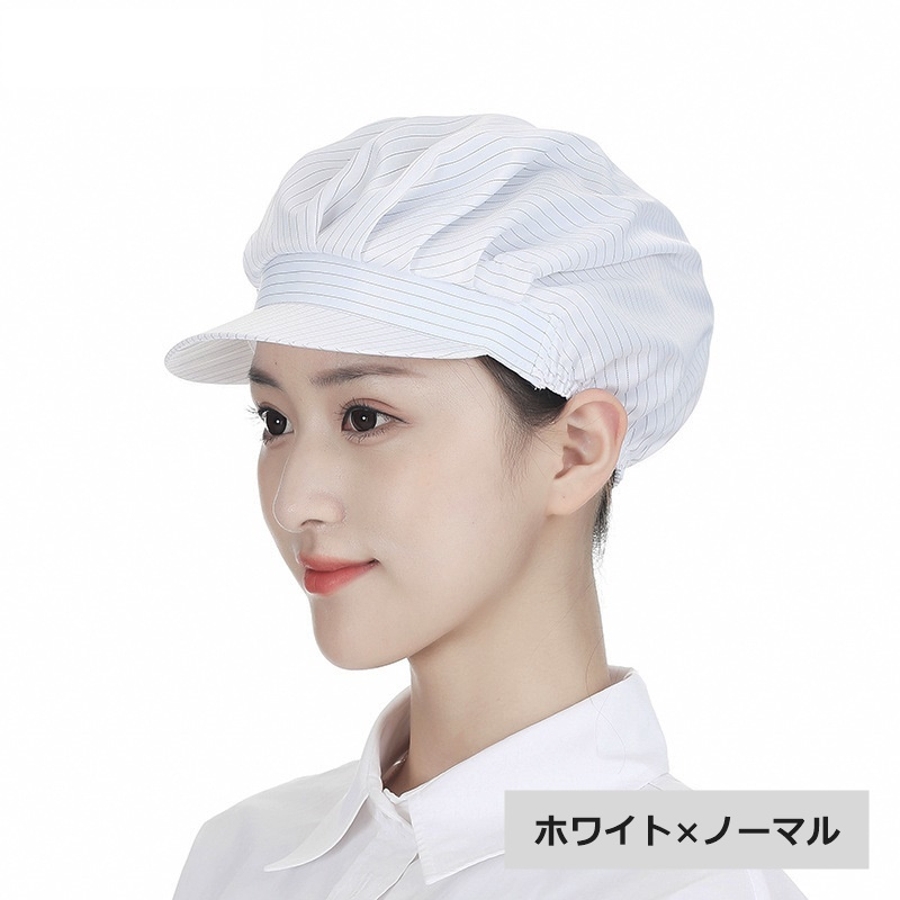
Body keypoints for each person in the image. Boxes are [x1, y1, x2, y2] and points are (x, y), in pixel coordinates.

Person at [165, 115, 807, 898]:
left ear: (576, 451)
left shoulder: (695, 884)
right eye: (274, 421)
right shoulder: (242, 854)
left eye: (365, 417)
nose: (294, 500)